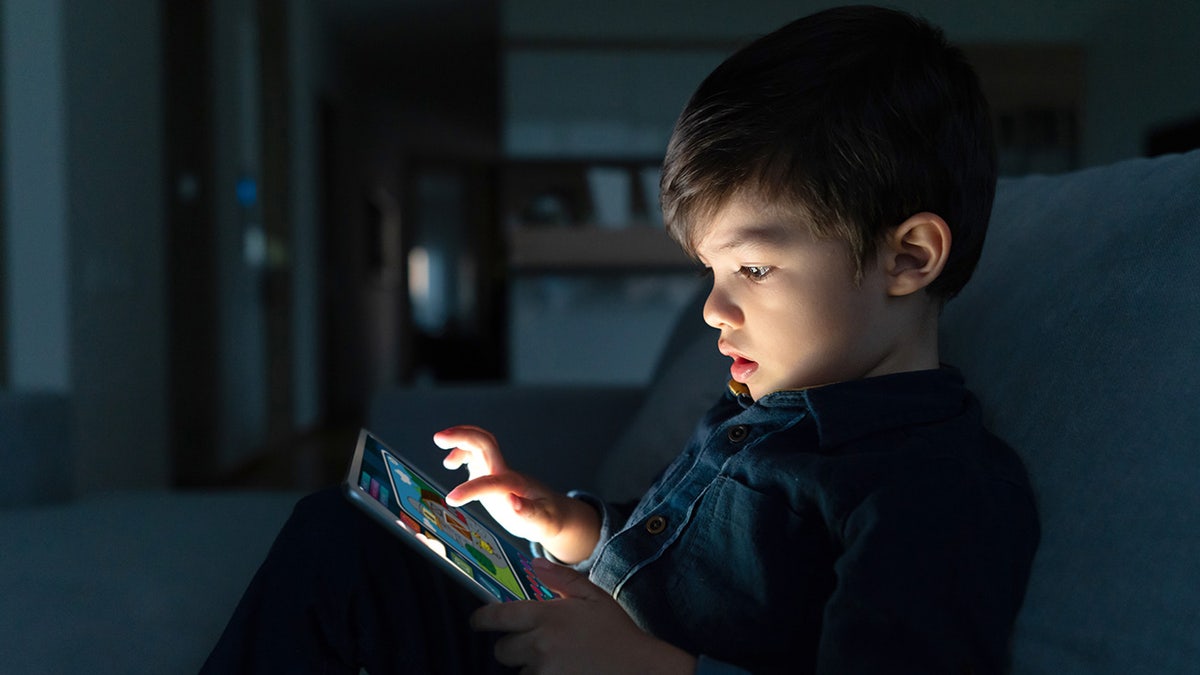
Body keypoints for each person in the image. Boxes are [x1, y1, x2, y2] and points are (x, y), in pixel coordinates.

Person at [201, 6, 1039, 674]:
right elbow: (676, 553)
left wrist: (648, 666)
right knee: (345, 533)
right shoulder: (770, 401)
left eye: (750, 270)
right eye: (709, 272)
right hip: (576, 633)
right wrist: (561, 521)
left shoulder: (936, 485)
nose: (714, 309)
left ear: (908, 256)